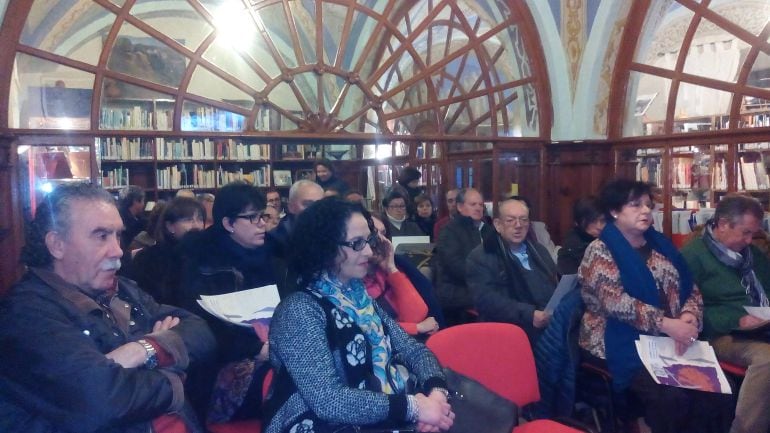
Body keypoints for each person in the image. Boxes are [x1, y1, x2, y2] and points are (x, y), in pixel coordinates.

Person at [0, 182, 215, 433]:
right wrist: (175, 376)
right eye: (101, 236)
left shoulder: (122, 289)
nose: (117, 251)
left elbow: (200, 331)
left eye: (118, 235)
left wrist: (144, 349)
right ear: (57, 245)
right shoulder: (26, 313)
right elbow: (103, 400)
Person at [264, 198, 454, 433]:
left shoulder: (357, 297)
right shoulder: (300, 310)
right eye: (356, 244)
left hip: (383, 411)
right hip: (320, 424)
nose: (368, 251)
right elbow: (328, 400)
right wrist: (414, 407)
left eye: (368, 241)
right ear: (324, 247)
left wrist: (436, 395)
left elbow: (413, 350)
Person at [579, 179, 733, 433]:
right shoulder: (600, 250)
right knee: (673, 398)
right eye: (635, 205)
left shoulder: (661, 244)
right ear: (615, 211)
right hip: (617, 340)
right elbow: (615, 303)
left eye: (649, 205)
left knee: (719, 390)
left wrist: (689, 315)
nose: (646, 211)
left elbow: (689, 286)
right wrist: (667, 324)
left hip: (671, 338)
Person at [179, 182, 290, 424]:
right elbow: (199, 329)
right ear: (228, 223)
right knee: (289, 381)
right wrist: (255, 349)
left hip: (275, 347)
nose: (262, 223)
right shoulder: (201, 262)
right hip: (223, 363)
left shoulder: (276, 256)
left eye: (263, 215)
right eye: (252, 218)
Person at [681, 194, 770, 433]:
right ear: (722, 225)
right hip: (719, 333)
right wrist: (735, 319)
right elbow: (687, 309)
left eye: (754, 234)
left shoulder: (753, 255)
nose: (750, 240)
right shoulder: (693, 255)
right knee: (767, 359)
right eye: (745, 233)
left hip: (760, 327)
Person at [466, 199, 558, 342]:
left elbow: (553, 283)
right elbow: (486, 301)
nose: (518, 225)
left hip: (550, 323)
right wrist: (530, 314)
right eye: (510, 220)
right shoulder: (481, 257)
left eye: (523, 220)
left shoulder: (539, 251)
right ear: (498, 225)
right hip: (510, 329)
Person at [365, 215, 440, 337]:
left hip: (402, 342)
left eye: (383, 233)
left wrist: (391, 269)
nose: (381, 241)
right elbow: (367, 328)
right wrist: (416, 328)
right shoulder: (351, 280)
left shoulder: (384, 271)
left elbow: (417, 314)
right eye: (372, 235)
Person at [129, 197, 206, 305]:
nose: (197, 225)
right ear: (170, 226)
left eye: (200, 219)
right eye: (188, 220)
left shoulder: (207, 254)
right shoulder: (149, 259)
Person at [434, 188, 495, 325]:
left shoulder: (488, 230)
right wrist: (487, 277)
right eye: (473, 205)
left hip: (484, 286)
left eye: (480, 204)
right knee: (495, 300)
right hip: (456, 291)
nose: (478, 208)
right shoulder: (449, 231)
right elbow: (456, 266)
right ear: (460, 207)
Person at [269, 179, 324, 255]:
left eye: (319, 205)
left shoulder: (329, 232)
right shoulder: (275, 238)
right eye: (308, 204)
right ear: (291, 207)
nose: (315, 209)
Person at [557, 196, 605, 275]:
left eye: (602, 220)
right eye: (593, 221)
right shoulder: (572, 246)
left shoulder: (607, 239)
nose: (599, 226)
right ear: (579, 222)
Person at [119, 184, 147, 250]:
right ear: (135, 201)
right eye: (143, 200)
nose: (144, 204)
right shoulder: (123, 221)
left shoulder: (139, 218)